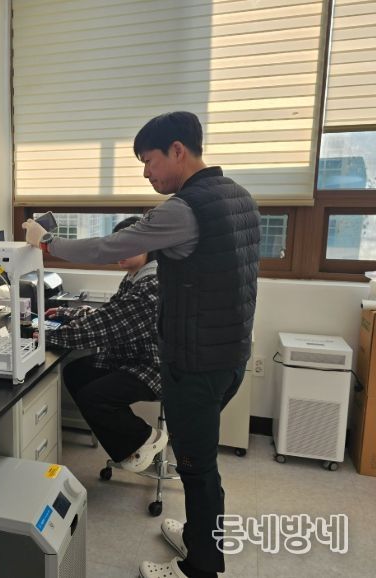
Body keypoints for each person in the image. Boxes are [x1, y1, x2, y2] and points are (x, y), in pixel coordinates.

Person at [22, 111, 260, 578]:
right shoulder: (239, 198)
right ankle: (198, 539)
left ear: (177, 150)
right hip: (229, 355)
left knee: (197, 468)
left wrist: (47, 242)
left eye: (149, 161)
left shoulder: (184, 209)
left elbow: (110, 247)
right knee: (200, 463)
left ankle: (200, 568)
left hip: (194, 364)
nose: (147, 173)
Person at [44, 217, 166, 474]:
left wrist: (48, 336)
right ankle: (127, 446)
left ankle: (145, 436)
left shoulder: (151, 284)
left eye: (126, 246)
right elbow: (111, 314)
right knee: (75, 372)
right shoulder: (134, 276)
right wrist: (68, 314)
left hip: (152, 366)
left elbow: (106, 328)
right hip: (130, 356)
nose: (118, 252)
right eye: (115, 246)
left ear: (147, 246)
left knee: (93, 397)